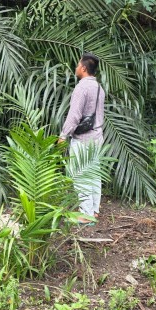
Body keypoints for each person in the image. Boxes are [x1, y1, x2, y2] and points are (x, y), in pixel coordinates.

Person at [59, 53, 105, 222]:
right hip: (97, 136)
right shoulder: (99, 87)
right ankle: (94, 209)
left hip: (83, 138)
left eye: (78, 65)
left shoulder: (81, 88)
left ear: (84, 68)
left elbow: (74, 115)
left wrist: (64, 135)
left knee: (80, 173)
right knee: (93, 172)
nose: (76, 67)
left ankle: (85, 214)